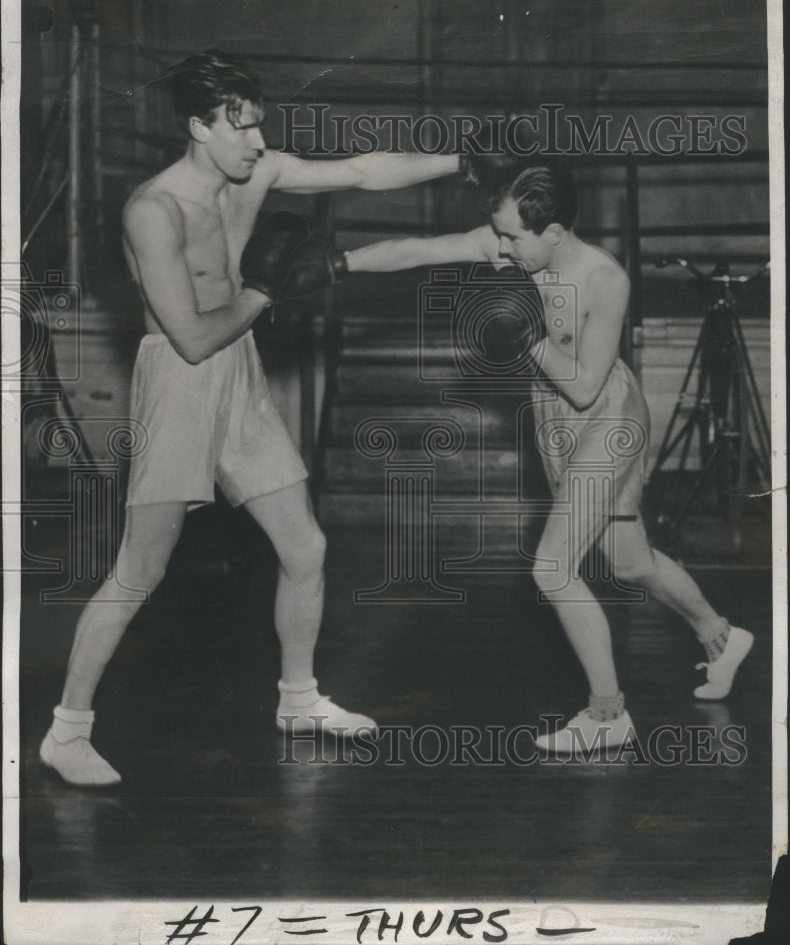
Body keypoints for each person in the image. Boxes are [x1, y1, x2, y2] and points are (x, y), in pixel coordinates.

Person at [40, 51, 462, 786]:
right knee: (140, 570)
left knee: (305, 547)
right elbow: (194, 335)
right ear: (198, 127)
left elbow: (362, 171)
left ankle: (299, 700)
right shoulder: (154, 209)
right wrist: (267, 288)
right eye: (240, 130)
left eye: (259, 127)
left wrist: (466, 161)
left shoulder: (256, 173)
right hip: (181, 378)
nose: (258, 144)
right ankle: (66, 731)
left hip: (240, 374)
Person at [344, 158, 754, 753]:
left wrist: (528, 333)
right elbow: (419, 250)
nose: (502, 248)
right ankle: (719, 635)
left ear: (554, 233)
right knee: (629, 561)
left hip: (607, 419)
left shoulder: (603, 278)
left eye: (513, 237)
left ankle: (608, 715)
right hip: (558, 422)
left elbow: (586, 386)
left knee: (552, 567)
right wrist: (339, 263)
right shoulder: (510, 244)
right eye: (499, 234)